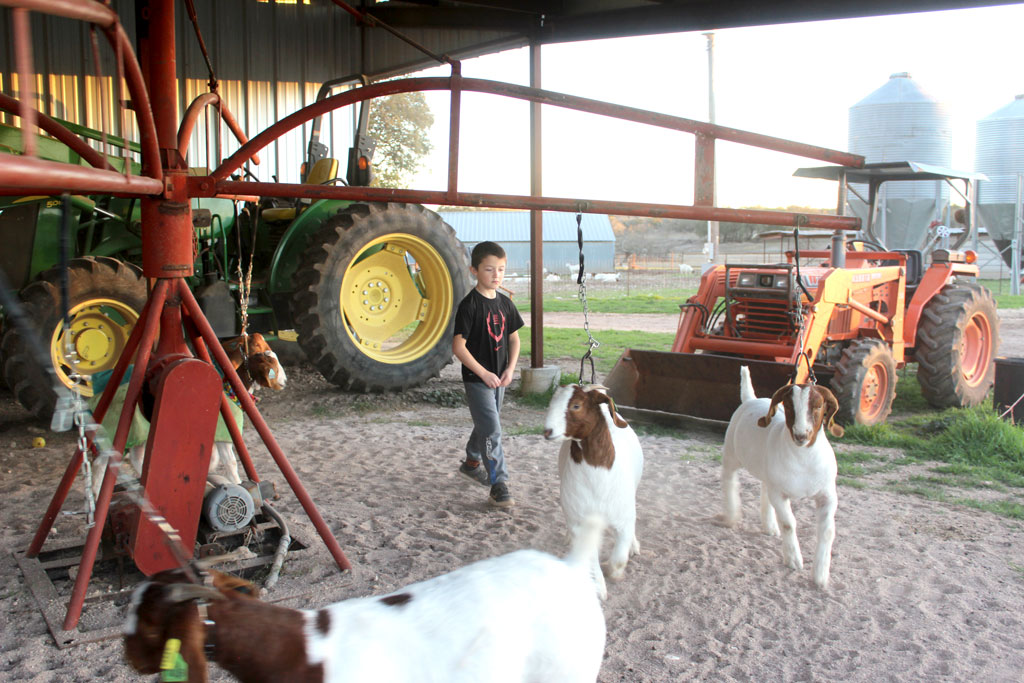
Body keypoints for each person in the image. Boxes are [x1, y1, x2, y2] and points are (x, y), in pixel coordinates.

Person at [453, 241, 524, 508]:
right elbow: (458, 347)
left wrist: (510, 369)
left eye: (502, 270)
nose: (496, 276)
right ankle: (498, 484)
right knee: (492, 429)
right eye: (489, 269)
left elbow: (515, 340)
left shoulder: (505, 304)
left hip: (500, 379)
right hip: (477, 379)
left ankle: (472, 462)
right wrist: (483, 373)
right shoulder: (469, 306)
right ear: (474, 270)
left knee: (487, 424)